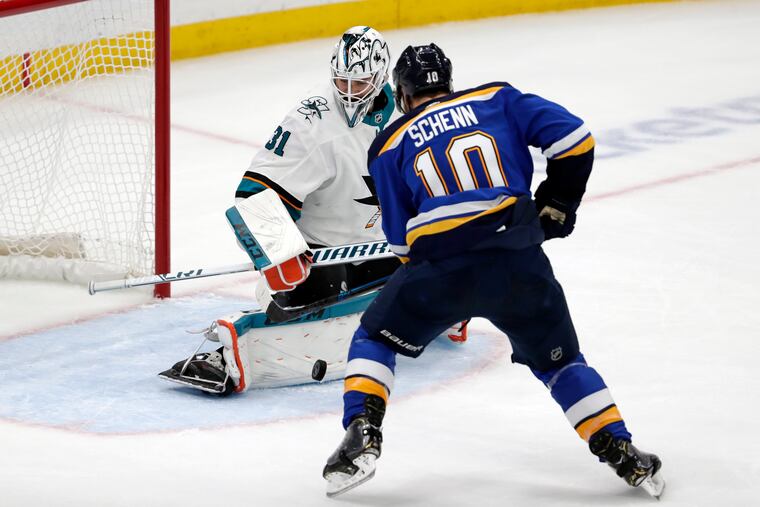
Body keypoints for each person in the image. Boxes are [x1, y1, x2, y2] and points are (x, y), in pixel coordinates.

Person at [322, 44, 664, 499]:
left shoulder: (388, 144)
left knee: (373, 339)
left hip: (440, 266)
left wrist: (438, 297)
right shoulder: (497, 99)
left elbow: (402, 243)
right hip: (517, 259)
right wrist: (558, 202)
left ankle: (362, 432)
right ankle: (622, 450)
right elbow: (576, 139)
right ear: (448, 82)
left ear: (402, 96)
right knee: (561, 366)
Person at [159, 28, 465, 396]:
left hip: (384, 248)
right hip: (319, 261)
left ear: (383, 78)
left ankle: (446, 309)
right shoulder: (313, 124)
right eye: (343, 81)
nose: (350, 92)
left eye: (361, 82)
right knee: (351, 324)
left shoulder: (406, 112)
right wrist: (279, 253)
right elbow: (254, 194)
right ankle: (239, 351)